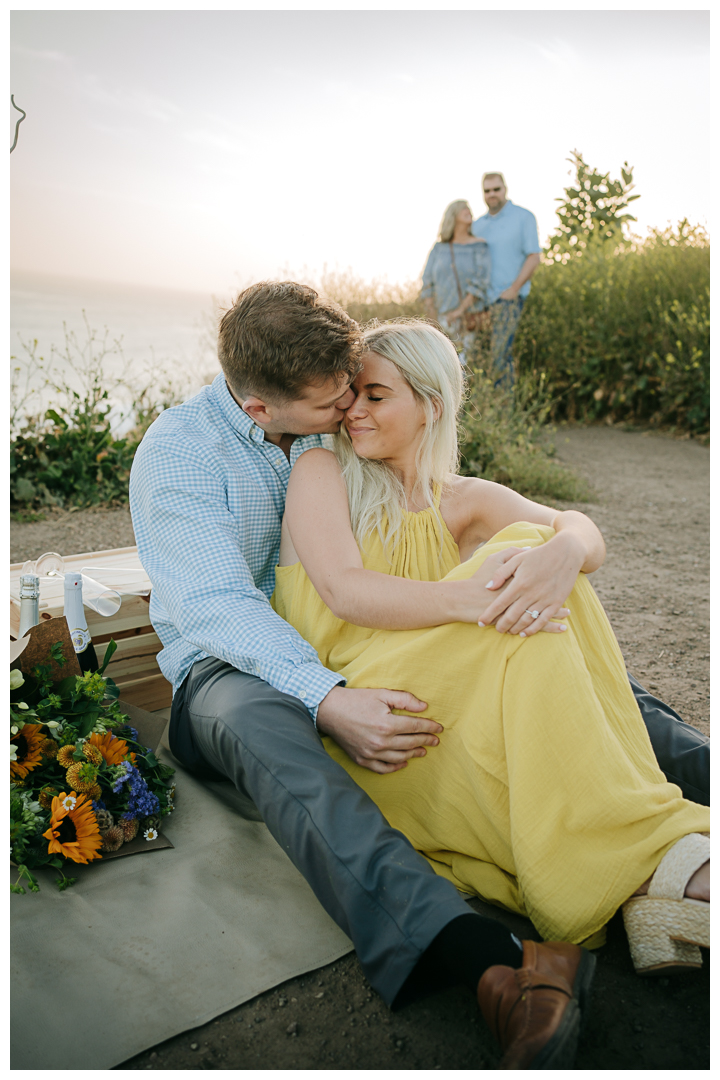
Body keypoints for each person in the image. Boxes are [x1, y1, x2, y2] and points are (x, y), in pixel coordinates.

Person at [129, 282, 708, 1070]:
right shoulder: (184, 452)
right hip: (224, 666)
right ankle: (488, 962)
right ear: (263, 410)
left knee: (551, 648)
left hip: (354, 643)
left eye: (358, 389)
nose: (348, 410)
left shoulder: (327, 441)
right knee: (266, 726)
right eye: (337, 399)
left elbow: (475, 524)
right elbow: (221, 608)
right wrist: (327, 696)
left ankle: (681, 814)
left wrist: (561, 550)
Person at [272, 317, 709, 977]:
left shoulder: (463, 500)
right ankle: (670, 861)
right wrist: (480, 599)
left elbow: (584, 532)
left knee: (539, 559)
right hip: (369, 709)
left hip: (447, 698)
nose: (351, 410)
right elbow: (345, 592)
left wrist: (567, 549)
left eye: (375, 395)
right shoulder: (319, 468)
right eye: (351, 394)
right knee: (520, 578)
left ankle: (652, 877)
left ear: (431, 405)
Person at [471, 172, 541, 388]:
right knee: (477, 358)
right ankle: (484, 409)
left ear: (505, 190)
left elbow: (534, 256)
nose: (492, 194)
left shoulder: (523, 217)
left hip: (507, 298)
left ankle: (503, 412)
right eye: (487, 190)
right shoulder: (477, 225)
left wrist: (514, 289)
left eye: (496, 189)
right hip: (480, 302)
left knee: (500, 355)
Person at [420, 199, 490, 361]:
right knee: (440, 363)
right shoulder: (439, 248)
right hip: (441, 318)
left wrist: (459, 312)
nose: (468, 211)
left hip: (468, 317)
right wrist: (432, 316)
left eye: (469, 209)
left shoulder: (480, 247)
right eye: (463, 209)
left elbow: (480, 283)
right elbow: (427, 281)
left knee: (464, 366)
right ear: (453, 215)